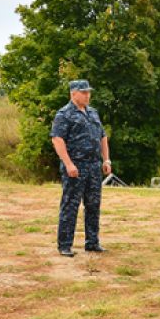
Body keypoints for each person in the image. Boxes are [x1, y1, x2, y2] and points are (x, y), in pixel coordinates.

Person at [51, 80, 111, 256]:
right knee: (70, 205)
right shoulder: (64, 114)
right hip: (76, 167)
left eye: (88, 92)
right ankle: (65, 245)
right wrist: (69, 163)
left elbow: (103, 136)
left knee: (93, 205)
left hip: (94, 166)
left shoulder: (93, 113)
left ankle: (92, 242)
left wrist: (106, 160)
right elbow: (57, 139)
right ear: (73, 93)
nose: (87, 95)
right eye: (83, 92)